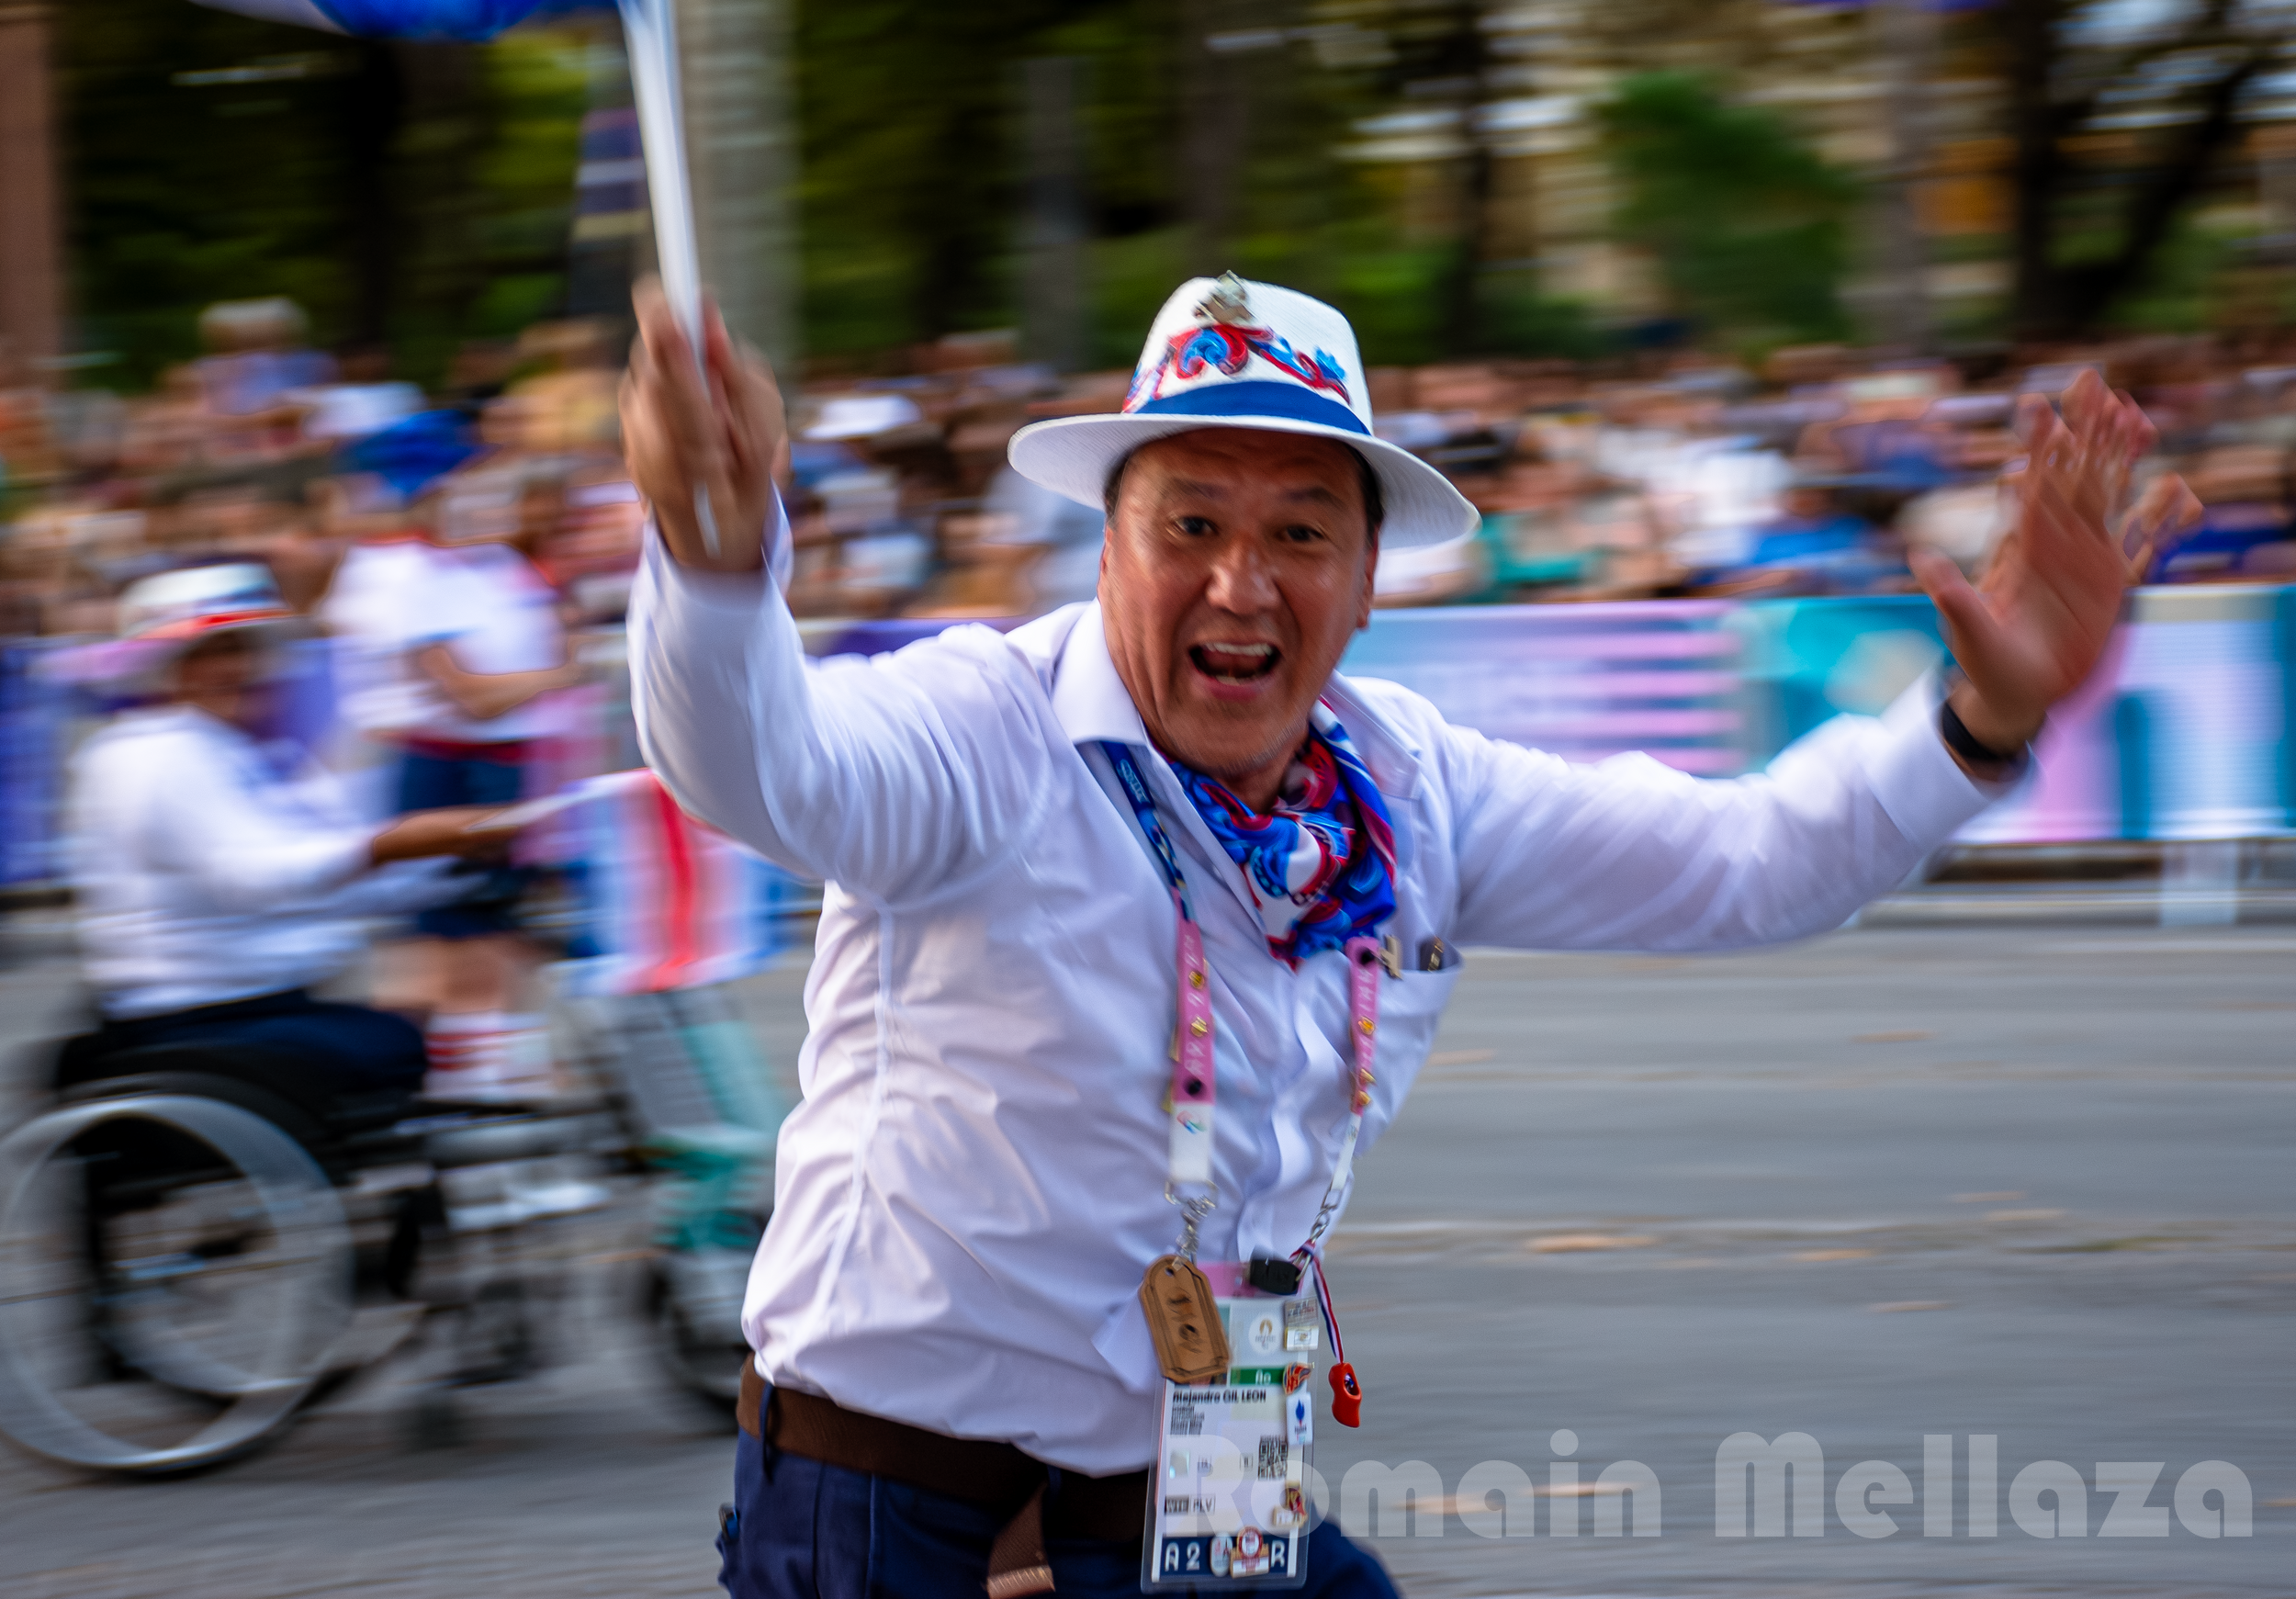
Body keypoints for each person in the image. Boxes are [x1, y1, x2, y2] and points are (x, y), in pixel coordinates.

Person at [620, 272, 2193, 1599]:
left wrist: (1985, 713)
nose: (1242, 582)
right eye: (1190, 523)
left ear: (1368, 582)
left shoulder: (1414, 790)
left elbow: (1752, 862)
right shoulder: (980, 736)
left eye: (1303, 532)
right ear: (1107, 548)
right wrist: (707, 565)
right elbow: (761, 763)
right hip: (903, 1515)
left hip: (1219, 1463)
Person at [64, 564, 513, 1102]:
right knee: (399, 1040)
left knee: (411, 1031)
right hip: (197, 1016)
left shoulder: (230, 749)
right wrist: (396, 844)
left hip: (251, 1005)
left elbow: (322, 875)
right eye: (215, 654)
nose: (244, 668)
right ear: (165, 669)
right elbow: (259, 878)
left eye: (247, 650)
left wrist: (454, 865)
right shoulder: (157, 755)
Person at [324, 412, 586, 1097]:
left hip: (498, 763)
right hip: (444, 766)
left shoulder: (481, 563)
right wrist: (561, 678)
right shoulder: (402, 574)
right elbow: (472, 695)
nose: (482, 488)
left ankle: (486, 1080)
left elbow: (535, 662)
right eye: (466, 475)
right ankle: (435, 1085)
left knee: (490, 940)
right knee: (450, 945)